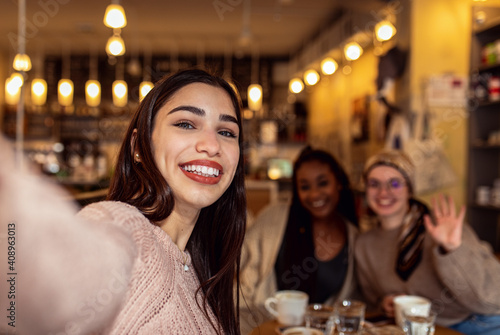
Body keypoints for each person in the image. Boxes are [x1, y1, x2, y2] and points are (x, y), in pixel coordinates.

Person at [0, 69, 246, 335]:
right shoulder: (125, 227)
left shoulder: (199, 264)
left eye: (227, 132)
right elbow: (50, 285)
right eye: (185, 124)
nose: (212, 145)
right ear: (138, 146)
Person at [354, 150, 500, 335]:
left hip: (480, 322)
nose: (384, 192)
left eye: (395, 183)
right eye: (374, 184)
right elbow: (372, 298)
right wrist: (384, 303)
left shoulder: (442, 227)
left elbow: (492, 297)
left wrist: (453, 250)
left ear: (410, 189)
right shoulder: (364, 244)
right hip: (425, 328)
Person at [239, 147, 360, 334]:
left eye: (323, 183)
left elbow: (353, 300)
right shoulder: (274, 218)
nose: (314, 194)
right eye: (305, 187)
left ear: (338, 183)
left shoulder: (353, 236)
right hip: (260, 328)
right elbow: (240, 270)